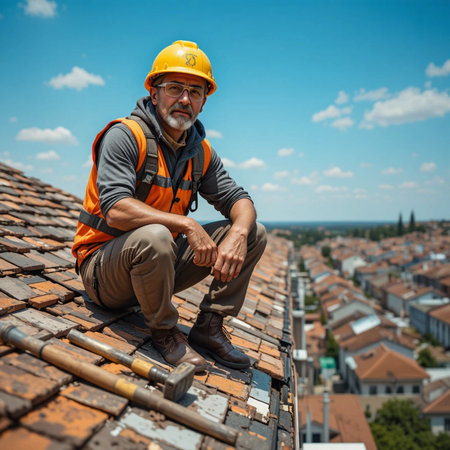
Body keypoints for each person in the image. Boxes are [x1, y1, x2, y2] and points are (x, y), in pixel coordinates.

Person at [72, 40, 267, 372]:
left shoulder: (199, 152)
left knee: (253, 233)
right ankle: (164, 332)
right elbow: (116, 209)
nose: (184, 99)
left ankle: (209, 327)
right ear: (154, 92)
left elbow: (241, 201)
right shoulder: (125, 136)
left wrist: (238, 232)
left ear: (204, 103)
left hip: (155, 271)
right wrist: (187, 226)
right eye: (175, 88)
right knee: (157, 236)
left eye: (195, 91)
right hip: (104, 272)